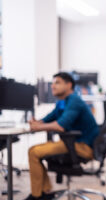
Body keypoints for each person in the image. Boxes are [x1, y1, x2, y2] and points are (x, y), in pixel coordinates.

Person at [24, 72, 99, 200]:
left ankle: (37, 197)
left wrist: (37, 127)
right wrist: (36, 123)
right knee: (33, 151)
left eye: (57, 82)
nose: (53, 86)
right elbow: (48, 119)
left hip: (82, 147)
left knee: (34, 152)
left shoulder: (74, 100)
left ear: (69, 85)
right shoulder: (62, 102)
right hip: (71, 143)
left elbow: (60, 126)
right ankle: (45, 192)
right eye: (52, 83)